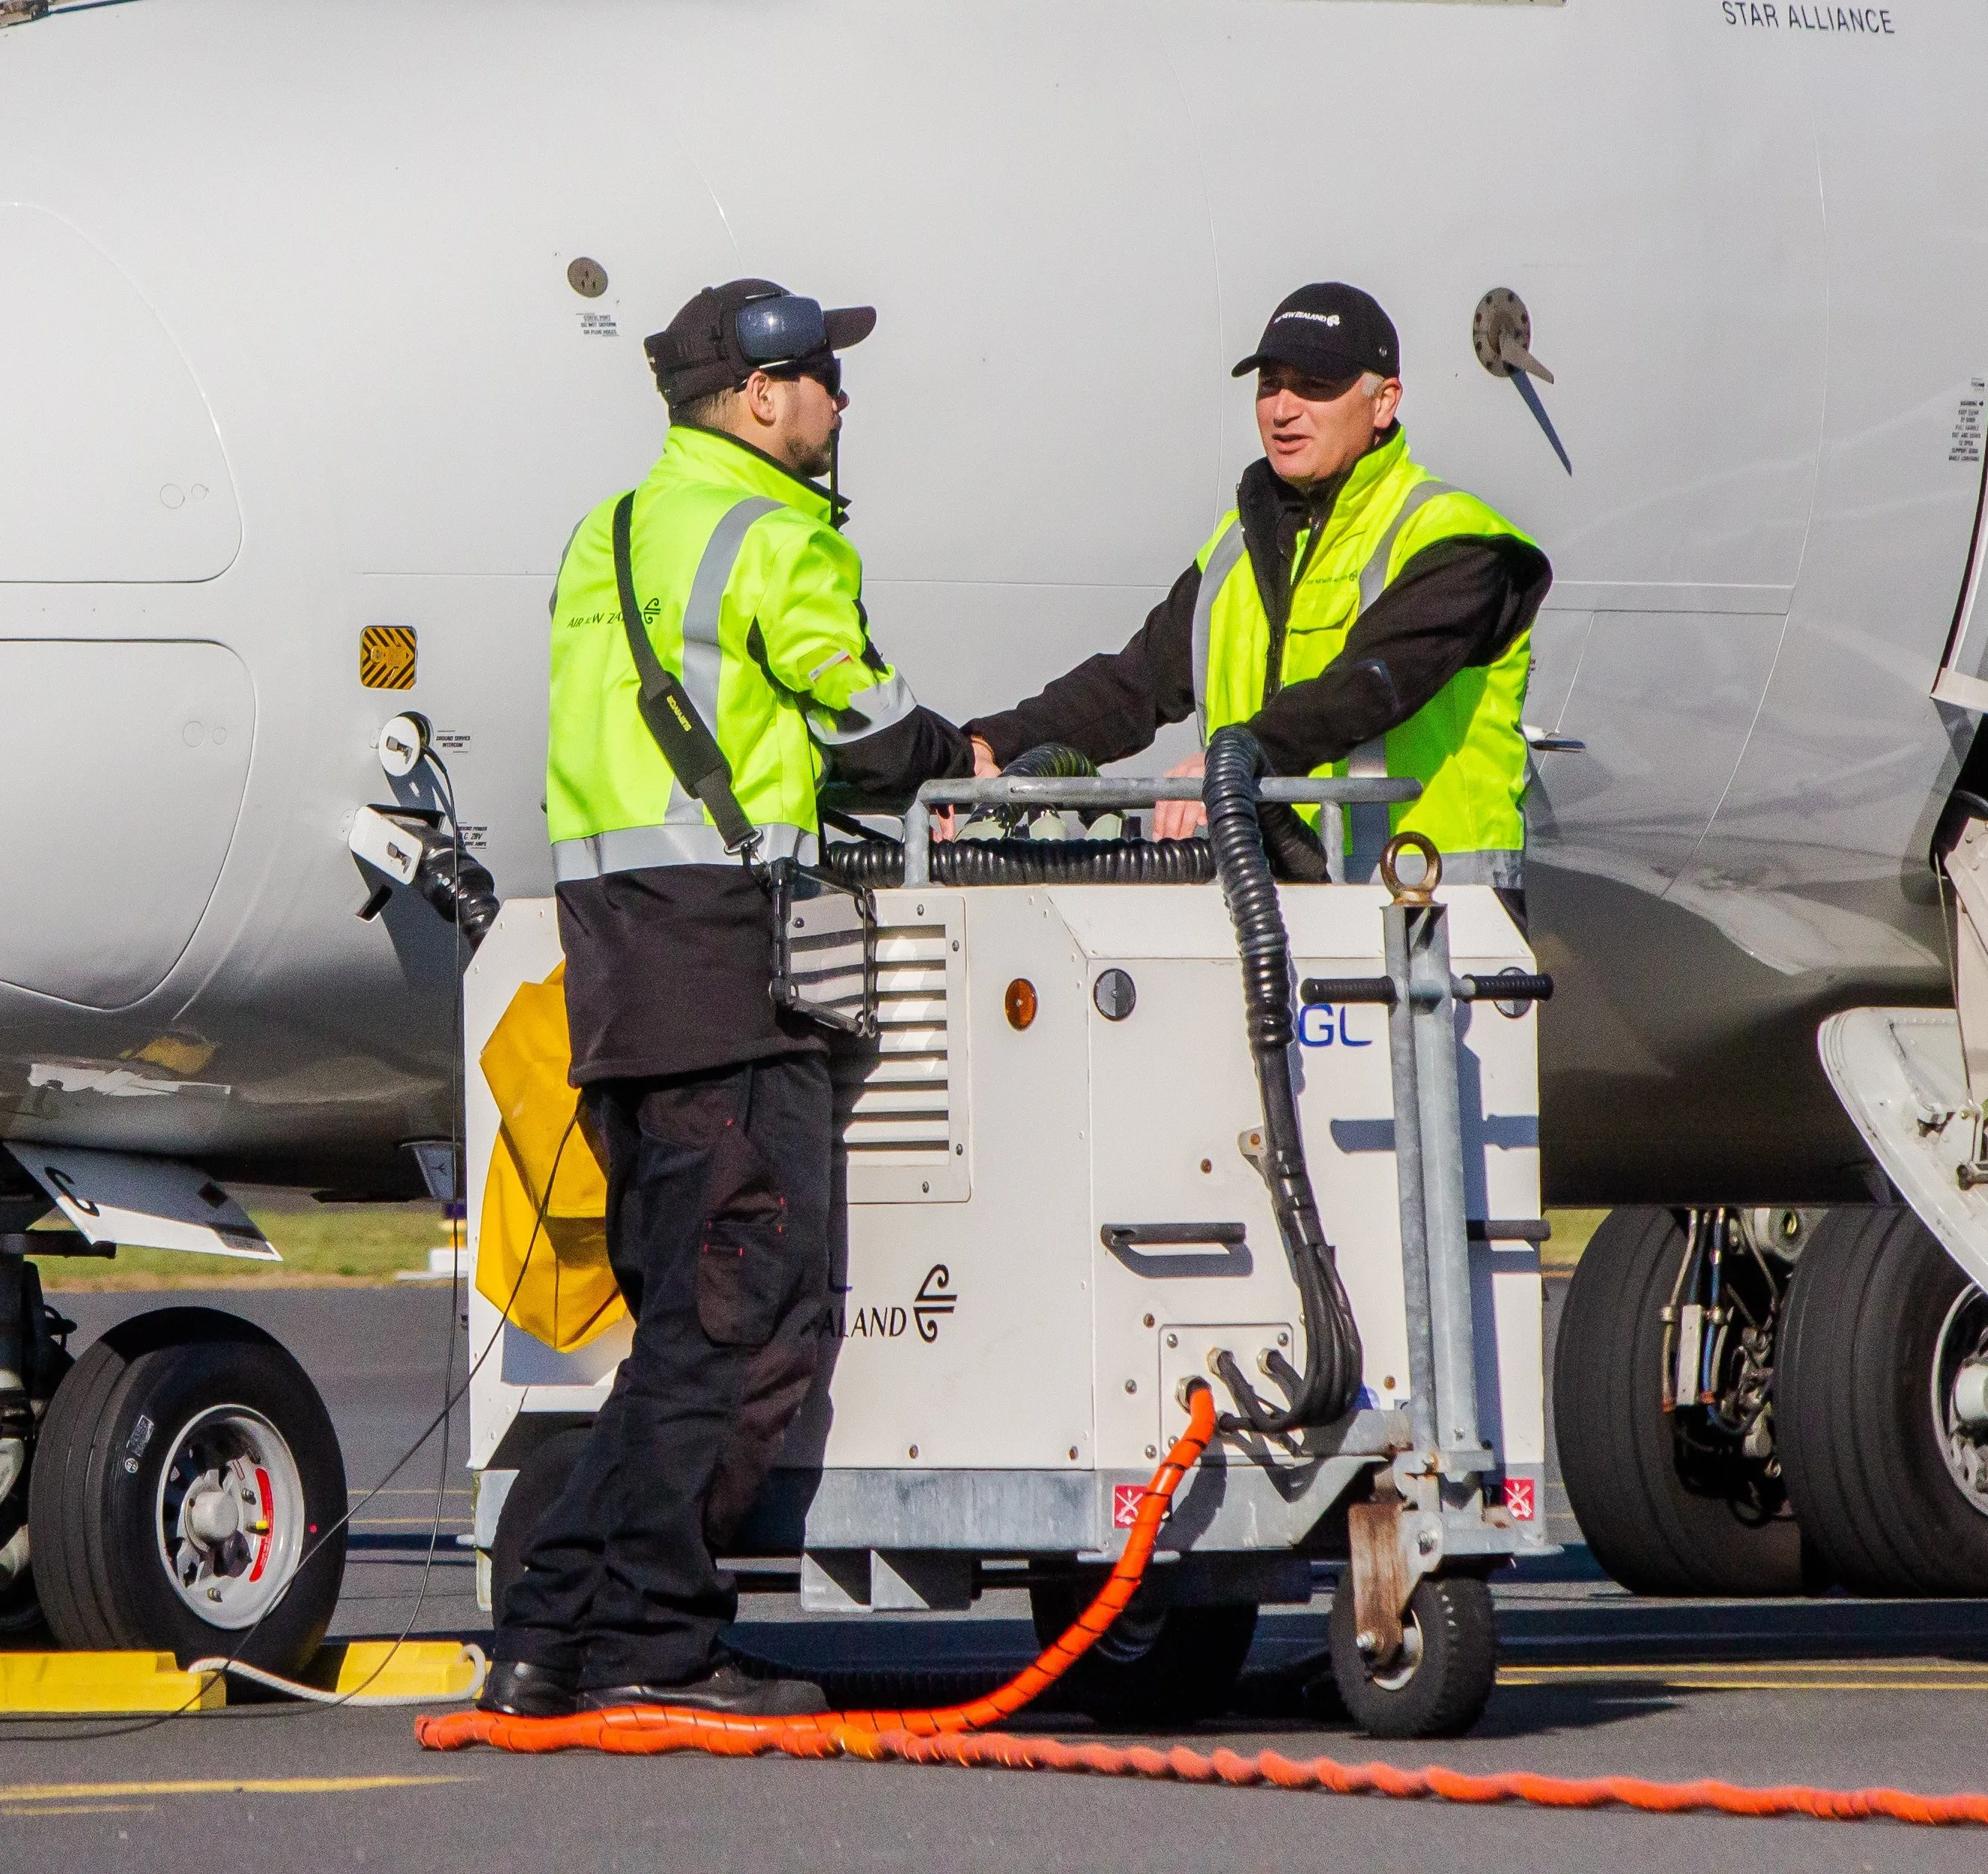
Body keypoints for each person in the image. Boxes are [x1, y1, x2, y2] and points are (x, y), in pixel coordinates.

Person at [483, 280, 975, 1720]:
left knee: (678, 1330)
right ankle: (634, 1640)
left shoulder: (610, 533)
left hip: (621, 984)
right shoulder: (778, 536)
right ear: (760, 398)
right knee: (729, 1324)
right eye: (824, 375)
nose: (839, 400)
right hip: (733, 983)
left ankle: (551, 1637)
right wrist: (968, 750)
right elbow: (867, 729)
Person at [963, 283, 1551, 912]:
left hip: (1433, 925)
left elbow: (1368, 686)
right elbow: (1133, 685)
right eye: (1269, 384)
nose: (1282, 409)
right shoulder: (1238, 548)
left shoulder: (1456, 539)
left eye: (1314, 386)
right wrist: (991, 744)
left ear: (1383, 402)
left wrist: (1235, 754)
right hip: (1269, 907)